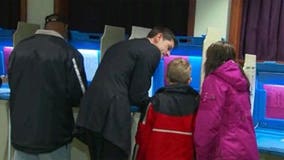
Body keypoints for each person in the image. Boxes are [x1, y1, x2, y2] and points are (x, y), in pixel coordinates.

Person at [75, 26, 176, 160]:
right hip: (111, 114)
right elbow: (137, 93)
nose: (168, 54)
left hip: (92, 112)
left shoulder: (122, 45)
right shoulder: (151, 51)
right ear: (158, 37)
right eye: (168, 47)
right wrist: (152, 103)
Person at [8, 13, 87, 160]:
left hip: (21, 136)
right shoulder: (69, 53)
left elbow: (13, 84)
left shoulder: (19, 48)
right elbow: (80, 94)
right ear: (66, 28)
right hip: (53, 137)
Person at [194, 41, 259, 160]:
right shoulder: (242, 79)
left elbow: (207, 123)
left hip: (225, 151)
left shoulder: (214, 81)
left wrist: (201, 154)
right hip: (247, 147)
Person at [134, 58, 200, 160]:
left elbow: (143, 136)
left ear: (167, 79)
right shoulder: (196, 104)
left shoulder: (155, 102)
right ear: (189, 80)